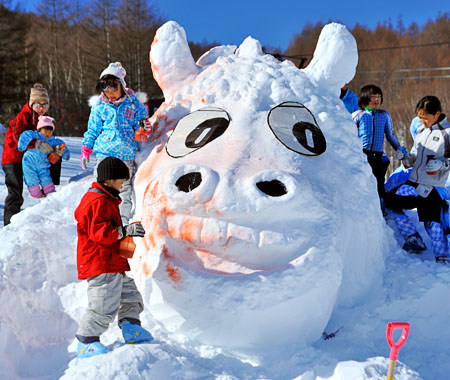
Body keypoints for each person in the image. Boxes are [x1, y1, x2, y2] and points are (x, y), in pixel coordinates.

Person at [74, 156, 154, 358]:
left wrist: (126, 240)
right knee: (103, 304)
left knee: (130, 296)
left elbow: (112, 232)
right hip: (100, 264)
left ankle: (131, 328)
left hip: (112, 262)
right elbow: (100, 233)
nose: (123, 184)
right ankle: (87, 341)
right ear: (109, 179)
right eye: (121, 180)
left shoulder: (108, 199)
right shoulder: (96, 201)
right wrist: (125, 231)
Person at [80, 62, 149, 225]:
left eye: (114, 90)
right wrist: (86, 149)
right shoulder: (99, 108)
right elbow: (92, 130)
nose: (110, 94)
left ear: (122, 87)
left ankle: (121, 224)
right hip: (104, 155)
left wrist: (144, 128)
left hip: (125, 156)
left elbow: (143, 124)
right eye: (106, 91)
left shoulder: (133, 105)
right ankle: (101, 220)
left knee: (124, 192)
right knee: (102, 190)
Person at [385, 96, 450, 264]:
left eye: (425, 117)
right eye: (420, 117)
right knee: (391, 201)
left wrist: (442, 164)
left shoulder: (447, 133)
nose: (422, 120)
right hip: (414, 181)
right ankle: (413, 237)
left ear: (437, 114)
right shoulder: (421, 131)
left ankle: (443, 257)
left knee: (432, 222)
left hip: (433, 185)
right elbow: (415, 157)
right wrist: (406, 158)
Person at [1, 83, 62, 225]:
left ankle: (51, 188)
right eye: (38, 104)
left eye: (45, 105)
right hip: (12, 159)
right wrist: (37, 144)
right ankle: (9, 226)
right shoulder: (22, 117)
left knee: (55, 154)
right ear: (31, 104)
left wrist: (56, 149)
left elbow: (48, 138)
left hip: (29, 159)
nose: (42, 108)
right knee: (15, 192)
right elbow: (18, 137)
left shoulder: (43, 120)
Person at [352, 84, 408, 203]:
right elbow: (349, 135)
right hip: (362, 155)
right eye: (373, 96)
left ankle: (381, 211)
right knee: (363, 183)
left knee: (379, 184)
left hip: (377, 156)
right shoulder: (358, 115)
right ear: (365, 98)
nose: (377, 99)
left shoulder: (384, 115)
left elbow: (390, 135)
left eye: (379, 96)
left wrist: (399, 148)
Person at [17, 116, 70, 198]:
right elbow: (25, 135)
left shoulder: (53, 141)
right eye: (45, 130)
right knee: (31, 179)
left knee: (46, 179)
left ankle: (51, 195)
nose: (48, 133)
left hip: (43, 165)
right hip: (29, 163)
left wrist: (65, 154)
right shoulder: (35, 135)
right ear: (39, 130)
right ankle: (37, 195)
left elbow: (62, 145)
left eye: (50, 131)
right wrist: (21, 145)